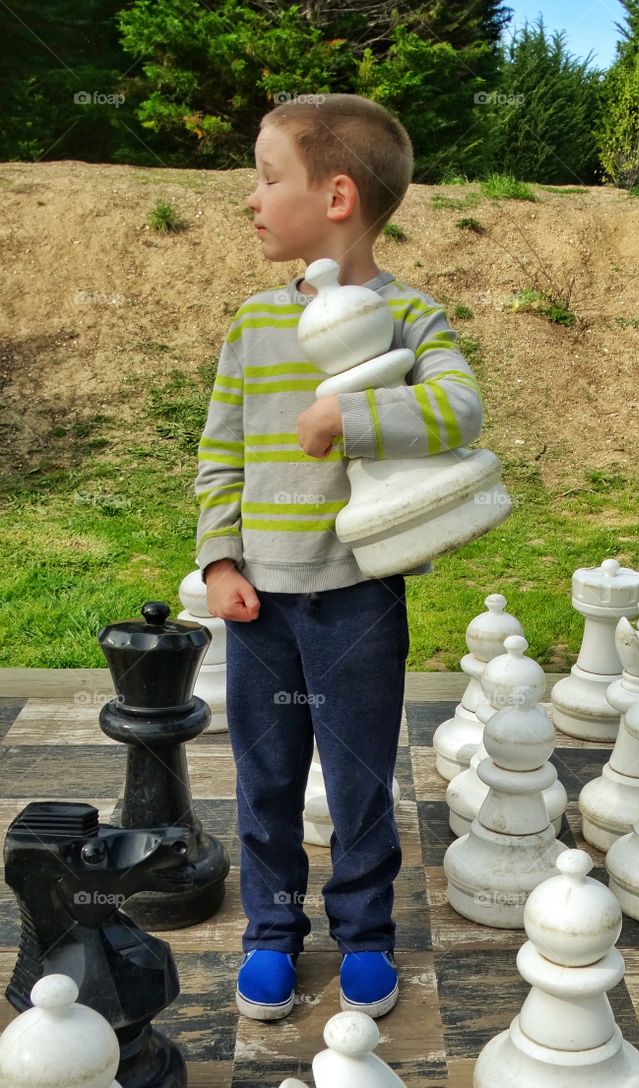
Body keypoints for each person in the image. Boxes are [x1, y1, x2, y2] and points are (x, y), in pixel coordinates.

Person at [194, 94, 484, 1021]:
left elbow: (459, 411)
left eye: (268, 176)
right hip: (261, 605)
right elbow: (220, 452)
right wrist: (219, 561)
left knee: (359, 779)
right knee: (265, 778)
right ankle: (271, 934)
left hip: (360, 597)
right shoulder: (250, 325)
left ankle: (364, 936)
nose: (251, 196)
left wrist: (350, 416)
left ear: (337, 196)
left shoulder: (408, 314)